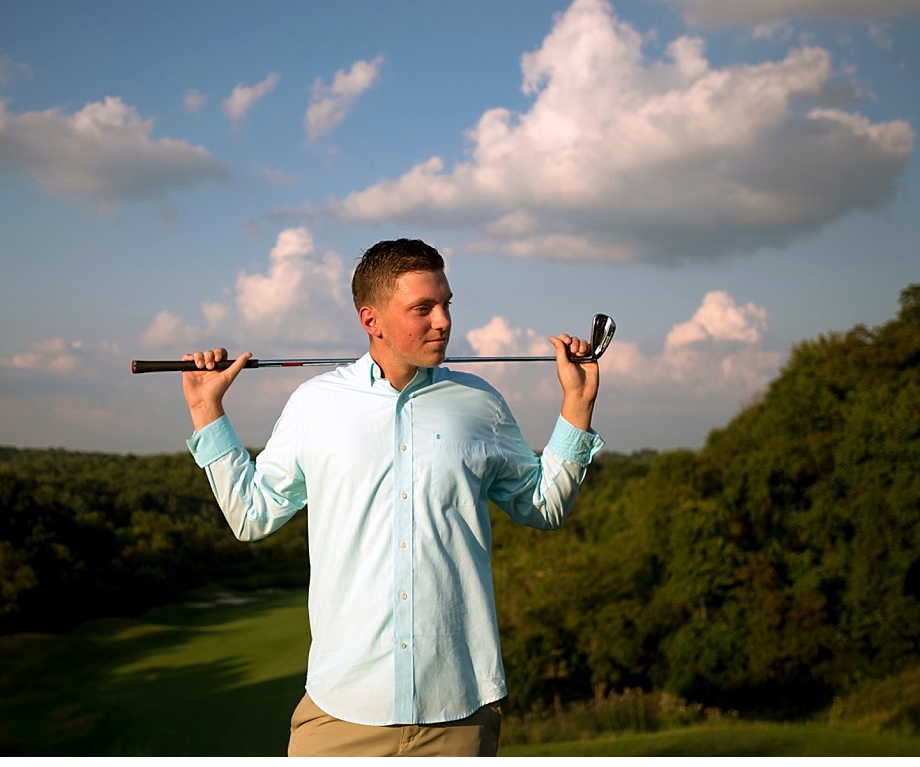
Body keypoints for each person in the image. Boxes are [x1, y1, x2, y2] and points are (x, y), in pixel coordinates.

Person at [180, 238, 603, 757]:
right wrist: (206, 412)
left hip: (458, 717)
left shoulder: (480, 403)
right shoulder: (315, 404)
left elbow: (544, 506)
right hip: (339, 717)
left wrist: (577, 406)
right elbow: (252, 515)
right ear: (371, 320)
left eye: (447, 304)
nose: (443, 321)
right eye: (422, 308)